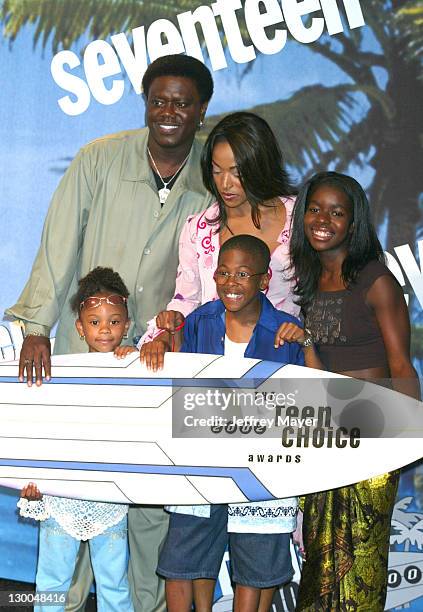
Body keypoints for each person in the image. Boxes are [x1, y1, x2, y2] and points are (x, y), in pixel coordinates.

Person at [6, 54, 214, 612]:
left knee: (146, 501)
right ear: (145, 103)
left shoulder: (213, 178)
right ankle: (61, 604)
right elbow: (57, 246)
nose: (169, 111)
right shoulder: (98, 158)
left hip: (155, 362)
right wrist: (36, 326)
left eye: (183, 102)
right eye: (159, 99)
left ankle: (140, 606)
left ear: (202, 111)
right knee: (69, 494)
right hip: (84, 358)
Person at [284, 171, 420, 611]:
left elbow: (402, 366)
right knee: (321, 565)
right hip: (324, 433)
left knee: (358, 566)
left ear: (353, 222)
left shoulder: (376, 281)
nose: (323, 219)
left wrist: (405, 443)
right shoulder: (309, 282)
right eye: (315, 209)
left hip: (372, 434)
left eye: (336, 212)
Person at [156, 235, 304, 612]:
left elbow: (308, 400)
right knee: (182, 557)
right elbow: (180, 388)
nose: (230, 282)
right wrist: (167, 339)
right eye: (223, 273)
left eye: (242, 274)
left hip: (260, 466)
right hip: (203, 461)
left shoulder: (286, 331)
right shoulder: (199, 322)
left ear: (264, 280)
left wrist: (310, 344)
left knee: (257, 563)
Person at [139, 111, 299, 370]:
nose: (225, 184)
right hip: (212, 367)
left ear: (260, 166)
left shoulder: (301, 219)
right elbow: (187, 300)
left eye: (237, 172)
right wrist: (165, 335)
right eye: (216, 171)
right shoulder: (198, 229)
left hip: (284, 362)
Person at [18, 267, 134, 612]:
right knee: (52, 581)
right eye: (95, 322)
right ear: (80, 328)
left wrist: (139, 363)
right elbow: (42, 429)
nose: (105, 330)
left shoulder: (139, 369)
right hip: (60, 496)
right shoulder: (60, 374)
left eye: (114, 321)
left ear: (126, 325)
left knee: (114, 582)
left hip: (110, 498)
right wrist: (32, 478)